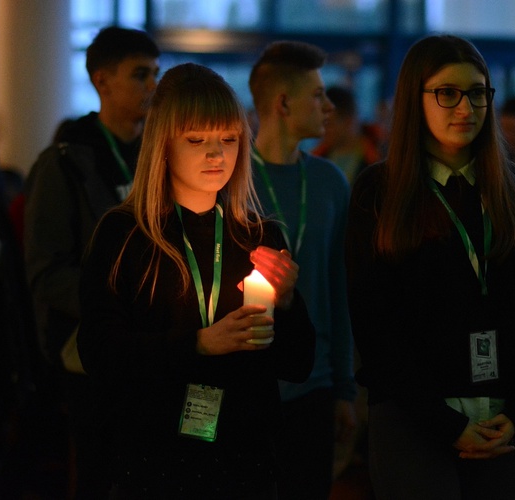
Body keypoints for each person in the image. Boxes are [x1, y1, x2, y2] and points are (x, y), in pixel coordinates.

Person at [77, 62, 316, 497]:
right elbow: (99, 352)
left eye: (228, 139)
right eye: (196, 140)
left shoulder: (260, 235)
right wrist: (199, 343)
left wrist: (287, 303)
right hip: (154, 458)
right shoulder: (125, 234)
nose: (216, 155)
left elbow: (298, 363)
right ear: (162, 144)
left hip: (246, 457)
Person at [345, 34, 515, 500]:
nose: (466, 108)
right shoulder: (379, 191)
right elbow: (375, 327)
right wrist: (444, 423)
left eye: (478, 92)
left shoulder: (509, 183)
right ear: (414, 100)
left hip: (503, 416)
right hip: (413, 417)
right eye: (447, 93)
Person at [23, 26, 160, 497]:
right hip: (92, 357)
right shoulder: (64, 161)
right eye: (140, 74)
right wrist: (118, 301)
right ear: (102, 82)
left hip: (157, 347)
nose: (152, 87)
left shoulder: (159, 158)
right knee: (102, 478)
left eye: (156, 74)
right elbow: (45, 273)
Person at [248, 40, 357, 499]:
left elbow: (340, 291)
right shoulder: (229, 182)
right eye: (317, 95)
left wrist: (344, 389)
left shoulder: (330, 182)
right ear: (283, 103)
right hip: (247, 387)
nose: (329, 106)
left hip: (314, 387)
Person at [311, 85, 382, 185]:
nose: (323, 130)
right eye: (321, 123)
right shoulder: (315, 159)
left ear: (348, 122)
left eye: (329, 124)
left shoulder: (377, 157)